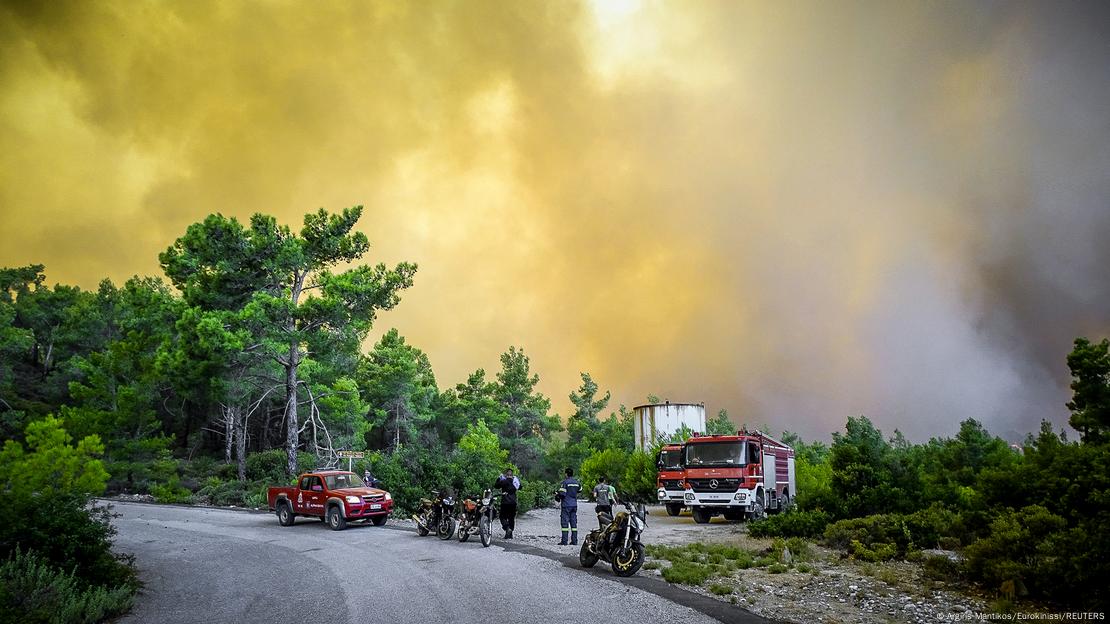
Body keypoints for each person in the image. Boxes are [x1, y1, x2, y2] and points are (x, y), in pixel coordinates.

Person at [556, 467, 582, 545]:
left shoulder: (565, 482)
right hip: (574, 505)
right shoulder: (576, 482)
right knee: (573, 523)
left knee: (565, 523)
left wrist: (557, 495)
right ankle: (574, 541)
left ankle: (564, 541)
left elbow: (562, 494)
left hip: (566, 505)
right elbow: (580, 490)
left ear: (566, 474)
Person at [494, 468, 520, 539]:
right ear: (512, 475)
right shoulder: (515, 482)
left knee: (502, 517)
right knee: (511, 518)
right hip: (513, 502)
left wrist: (499, 478)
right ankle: (510, 534)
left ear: (506, 475)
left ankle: (507, 528)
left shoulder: (504, 481)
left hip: (505, 502)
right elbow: (520, 487)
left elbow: (496, 486)